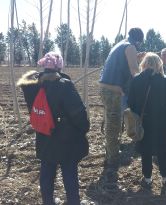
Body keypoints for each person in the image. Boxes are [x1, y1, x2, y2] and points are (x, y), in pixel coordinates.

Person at [17, 52, 89, 204]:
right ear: (59, 67)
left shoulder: (32, 86)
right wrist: (84, 128)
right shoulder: (64, 85)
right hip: (66, 139)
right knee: (69, 172)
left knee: (46, 171)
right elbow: (78, 115)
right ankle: (73, 202)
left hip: (44, 135)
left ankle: (48, 202)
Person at [128, 53, 166, 187]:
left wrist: (138, 114)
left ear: (144, 64)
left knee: (145, 150)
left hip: (143, 120)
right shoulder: (164, 80)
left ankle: (148, 178)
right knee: (162, 149)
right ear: (159, 64)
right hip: (160, 120)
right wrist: (165, 114)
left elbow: (130, 102)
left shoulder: (136, 80)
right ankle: (165, 177)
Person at [99, 28, 144, 169]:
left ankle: (111, 155)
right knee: (114, 126)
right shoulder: (130, 47)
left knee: (112, 124)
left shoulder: (121, 44)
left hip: (106, 89)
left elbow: (123, 64)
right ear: (138, 40)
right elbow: (135, 72)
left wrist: (136, 58)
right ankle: (112, 160)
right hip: (113, 91)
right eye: (140, 43)